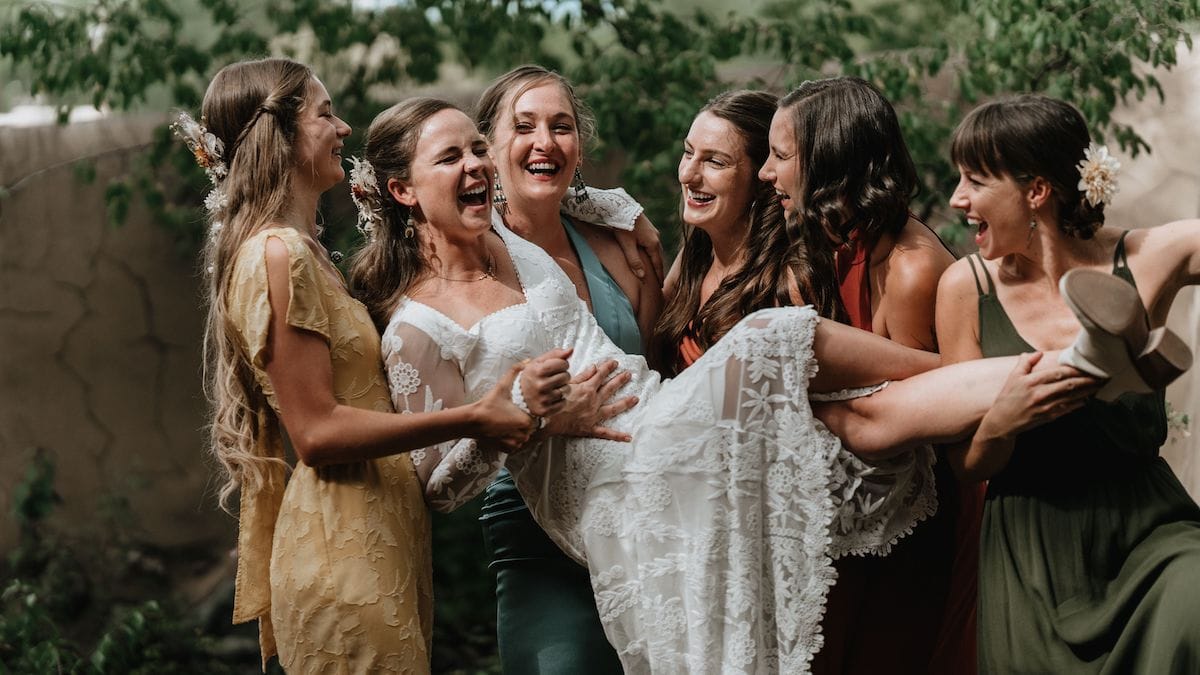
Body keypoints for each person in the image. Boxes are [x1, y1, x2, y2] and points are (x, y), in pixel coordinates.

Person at [348, 96, 1099, 673]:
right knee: (775, 335)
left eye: (479, 148)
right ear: (403, 191)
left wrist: (634, 215)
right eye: (452, 157)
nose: (478, 165)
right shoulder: (414, 327)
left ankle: (1081, 364)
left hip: (660, 412)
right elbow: (436, 486)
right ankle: (1019, 367)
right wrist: (516, 415)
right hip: (611, 483)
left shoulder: (506, 232)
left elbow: (575, 189)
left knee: (854, 419)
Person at [185, 58, 549, 672]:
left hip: (381, 539)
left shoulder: (309, 255)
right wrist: (472, 419)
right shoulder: (277, 256)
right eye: (326, 114)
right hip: (341, 551)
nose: (345, 129)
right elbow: (318, 432)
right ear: (281, 136)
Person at [935, 93, 1200, 673]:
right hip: (1033, 554)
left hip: (1149, 534)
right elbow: (965, 466)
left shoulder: (1146, 257)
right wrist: (1001, 422)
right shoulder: (965, 289)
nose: (958, 199)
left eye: (976, 181)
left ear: (1036, 191)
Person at [758, 76, 975, 674]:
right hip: (858, 519)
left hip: (912, 526)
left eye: (779, 157)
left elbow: (920, 425)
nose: (764, 173)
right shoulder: (836, 240)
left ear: (829, 159)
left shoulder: (910, 269)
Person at [472, 65, 662, 673]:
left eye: (562, 127)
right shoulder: (474, 257)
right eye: (523, 126)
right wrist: (547, 418)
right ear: (489, 147)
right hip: (538, 519)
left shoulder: (617, 244)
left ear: (580, 148)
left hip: (647, 507)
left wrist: (624, 211)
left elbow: (655, 364)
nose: (544, 142)